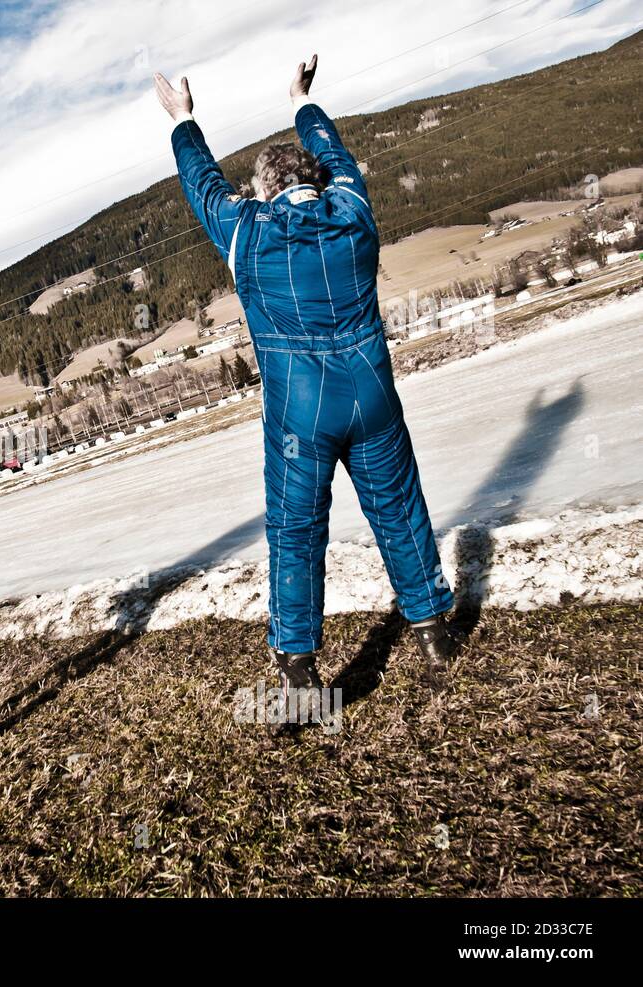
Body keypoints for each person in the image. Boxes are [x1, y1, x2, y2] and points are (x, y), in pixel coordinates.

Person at [154, 56, 459, 708]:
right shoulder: (353, 213)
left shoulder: (248, 231)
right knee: (400, 509)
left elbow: (203, 185)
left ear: (264, 191)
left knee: (297, 532)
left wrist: (184, 119)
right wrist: (302, 102)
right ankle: (432, 625)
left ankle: (297, 667)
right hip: (371, 394)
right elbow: (339, 155)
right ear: (317, 181)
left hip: (299, 414)